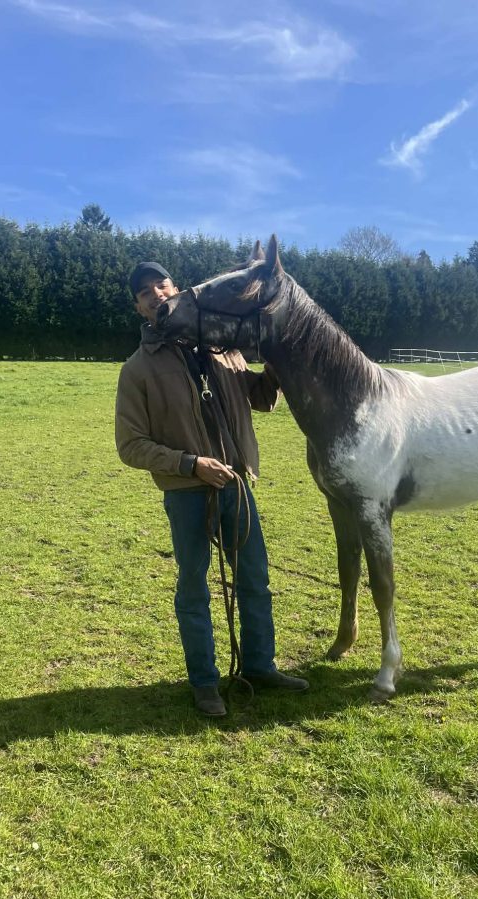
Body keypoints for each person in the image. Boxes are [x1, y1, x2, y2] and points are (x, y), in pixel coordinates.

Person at [115, 261, 309, 716]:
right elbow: (130, 445)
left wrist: (276, 359)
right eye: (144, 292)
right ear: (139, 308)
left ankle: (260, 666)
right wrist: (191, 465)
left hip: (237, 487)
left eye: (161, 284)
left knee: (255, 580)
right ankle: (204, 683)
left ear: (176, 288)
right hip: (187, 493)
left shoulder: (223, 350)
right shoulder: (137, 369)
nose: (155, 294)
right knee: (194, 589)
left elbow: (261, 399)